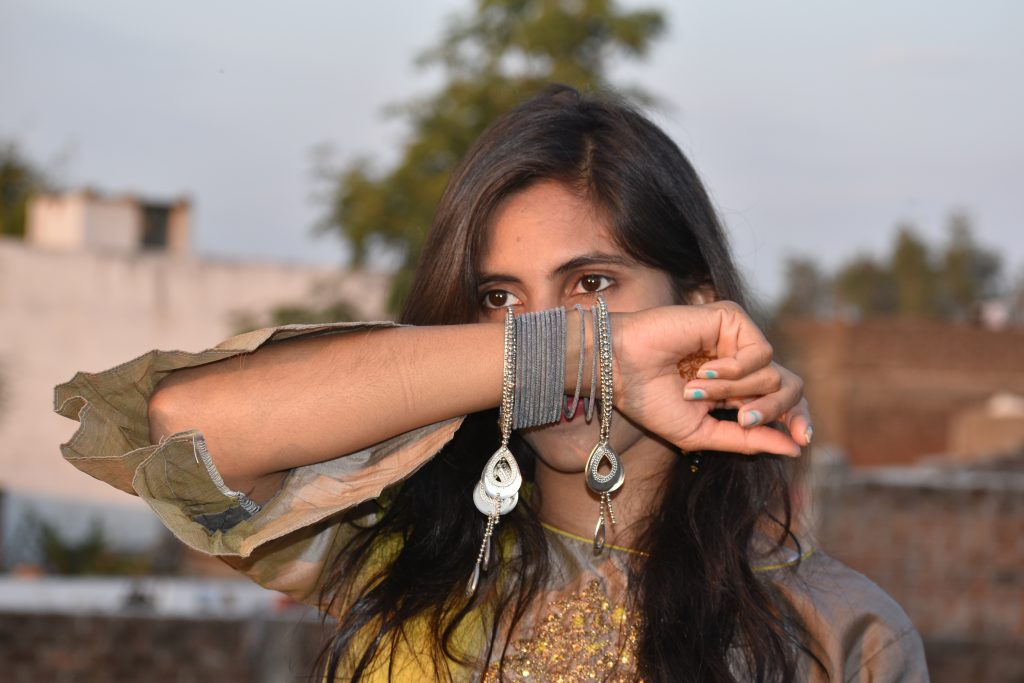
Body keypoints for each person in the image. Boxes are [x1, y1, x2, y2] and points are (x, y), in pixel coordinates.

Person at [55, 85, 927, 682]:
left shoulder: (831, 629)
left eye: (593, 285)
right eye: (500, 298)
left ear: (695, 305)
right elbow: (181, 423)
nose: (547, 327)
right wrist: (581, 352)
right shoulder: (394, 548)